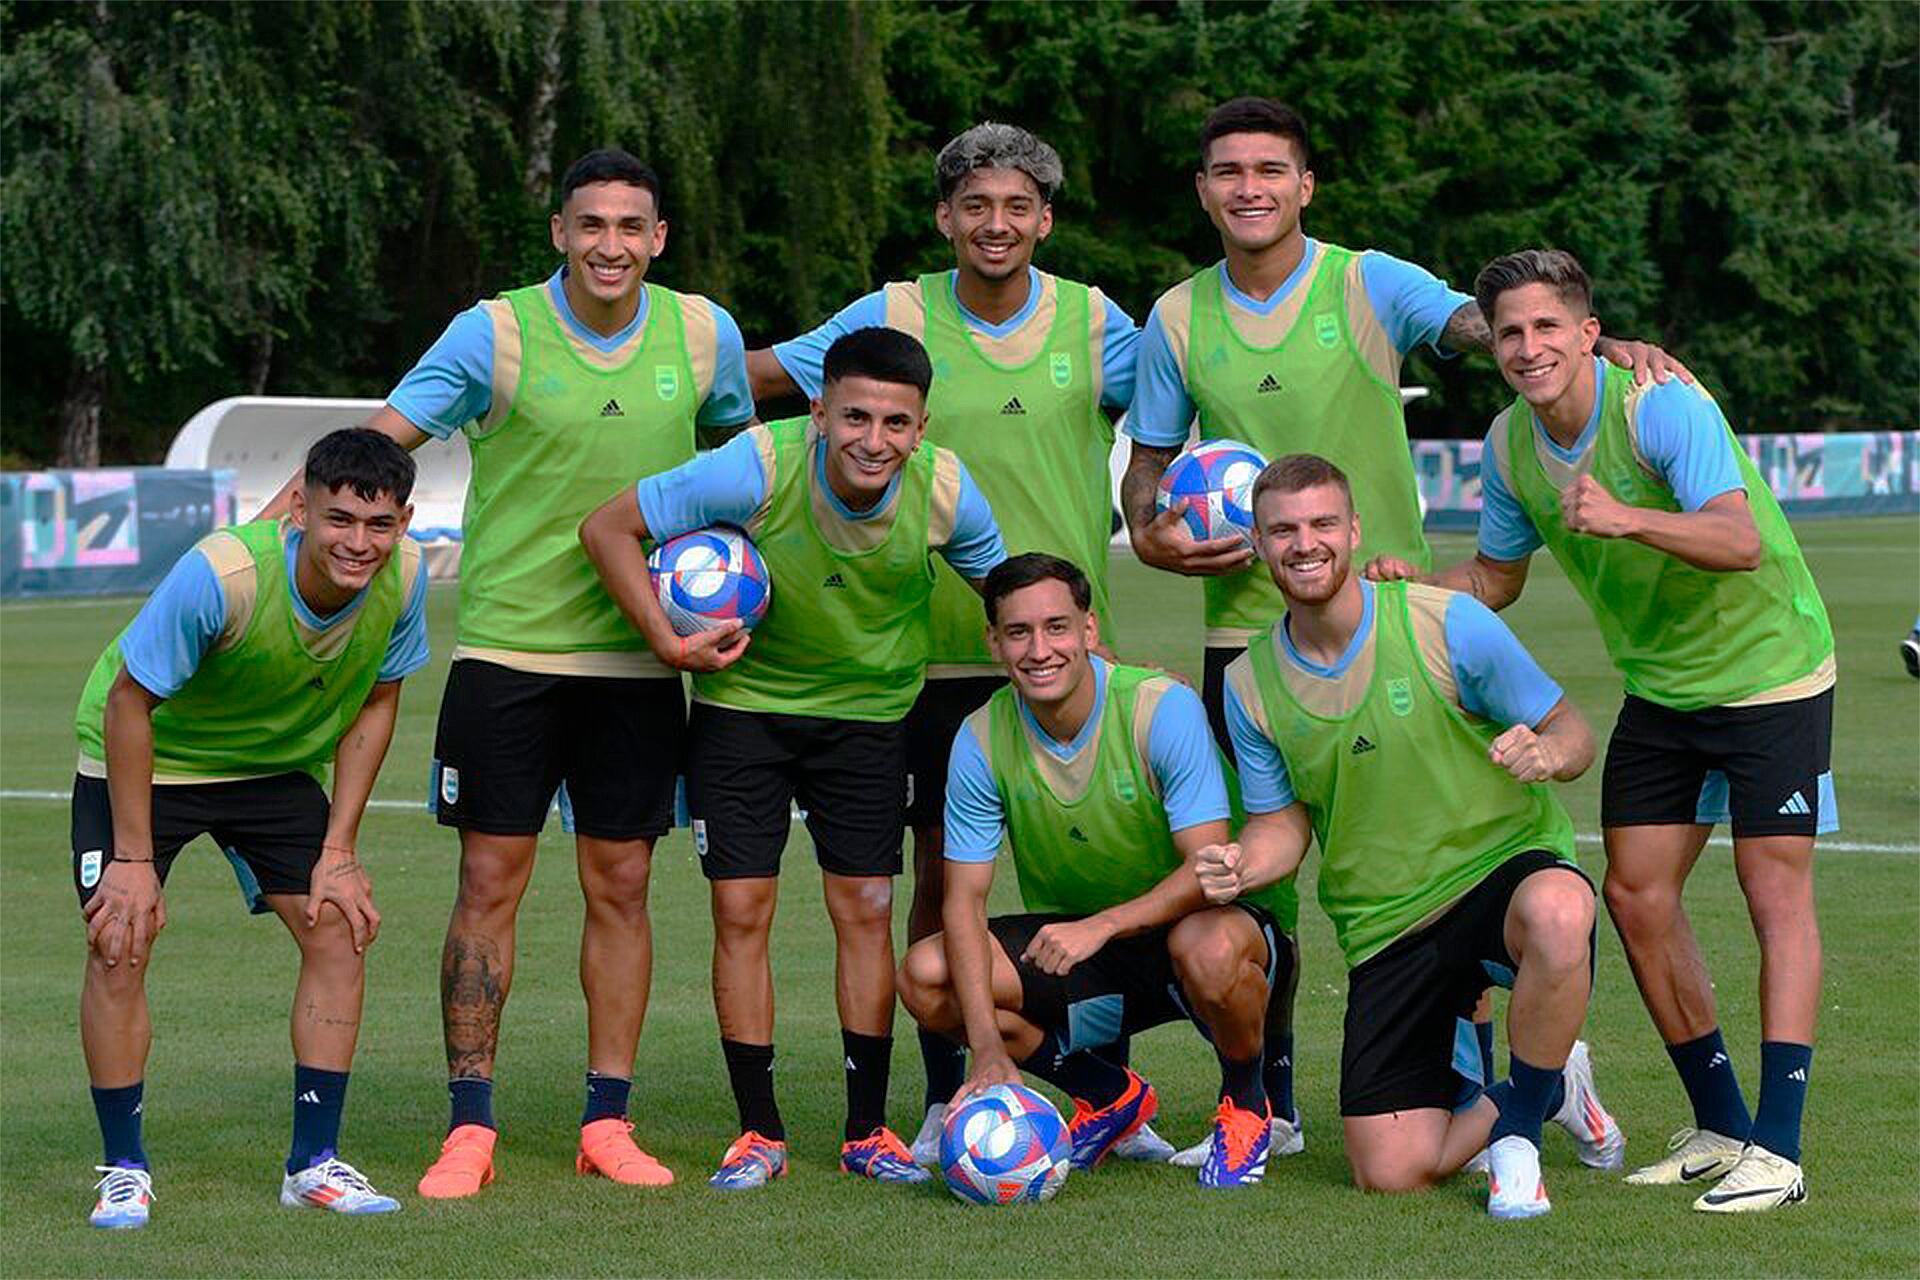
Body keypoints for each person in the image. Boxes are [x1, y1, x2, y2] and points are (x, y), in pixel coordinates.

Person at [1120, 96, 1681, 1161]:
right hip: (1246, 644)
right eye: (1228, 170)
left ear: (1305, 185)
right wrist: (1158, 541)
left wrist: (1592, 352)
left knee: (1442, 856)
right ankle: (1265, 1108)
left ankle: (1520, 1073)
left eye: (1271, 169)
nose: (1250, 187)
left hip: (1390, 618)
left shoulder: (1365, 280)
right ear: (1203, 189)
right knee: (1259, 881)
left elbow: (1493, 329)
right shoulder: (1177, 319)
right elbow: (1147, 486)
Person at [258, 148, 755, 1196]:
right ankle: (470, 1124)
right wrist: (272, 531)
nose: (610, 244)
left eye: (631, 226)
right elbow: (379, 437)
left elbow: (737, 466)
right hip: (509, 651)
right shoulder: (495, 332)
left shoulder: (704, 334)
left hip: (638, 656)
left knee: (621, 885)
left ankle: (605, 1121)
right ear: (559, 233)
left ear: (658, 238)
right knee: (489, 883)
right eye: (591, 225)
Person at [1372, 249, 1836, 1213]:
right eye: (1509, 332)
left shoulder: (1658, 405)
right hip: (1664, 690)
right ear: (1492, 346)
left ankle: (1780, 1154)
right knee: (1635, 896)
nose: (1529, 347)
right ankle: (1721, 1125)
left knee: (1771, 890)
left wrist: (1627, 517)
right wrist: (1404, 582)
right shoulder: (1508, 448)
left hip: (1772, 675)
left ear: (1589, 333)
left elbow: (1739, 538)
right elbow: (1498, 582)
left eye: (1548, 327)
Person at [746, 122, 1163, 1160]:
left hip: (1056, 653)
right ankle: (947, 1096)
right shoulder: (890, 313)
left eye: (1018, 207)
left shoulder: (1096, 321)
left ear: (1046, 220)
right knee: (939, 878)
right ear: (944, 216)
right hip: (918, 657)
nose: (997, 224)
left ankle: (1110, 1088)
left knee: (1101, 872)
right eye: (976, 205)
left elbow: (1192, 391)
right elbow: (761, 378)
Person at [581, 326, 1005, 1191]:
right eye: (854, 417)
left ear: (922, 429)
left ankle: (866, 1131)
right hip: (746, 713)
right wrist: (666, 638)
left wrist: (1087, 654)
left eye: (895, 423)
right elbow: (607, 528)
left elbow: (1007, 588)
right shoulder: (755, 467)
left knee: (865, 909)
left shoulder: (948, 491)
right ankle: (759, 1132)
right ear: (818, 412)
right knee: (742, 911)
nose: (872, 440)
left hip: (872, 719)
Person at [1199, 453, 1623, 1219]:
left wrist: (1547, 752)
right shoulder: (1247, 683)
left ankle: (1518, 1141)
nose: (1305, 543)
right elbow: (1281, 828)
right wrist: (1240, 863)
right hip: (1387, 926)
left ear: (1355, 530)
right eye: (1283, 530)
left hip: (1499, 873)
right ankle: (1549, 1079)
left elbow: (1573, 729)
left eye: (1324, 523)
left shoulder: (1445, 620)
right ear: (1257, 545)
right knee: (1390, 1171)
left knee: (1562, 911)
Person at [73, 428, 429, 1227]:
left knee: (337, 924)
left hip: (270, 768)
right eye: (340, 519)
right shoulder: (224, 574)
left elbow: (379, 698)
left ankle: (313, 1165)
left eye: (378, 525)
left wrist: (338, 851)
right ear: (299, 508)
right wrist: (132, 857)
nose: (359, 543)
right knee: (119, 937)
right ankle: (122, 1168)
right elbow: (131, 702)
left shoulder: (405, 579)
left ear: (404, 520)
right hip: (148, 758)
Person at [896, 553, 1297, 1188]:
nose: (1039, 649)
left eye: (1057, 627)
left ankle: (1247, 1106)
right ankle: (1110, 1097)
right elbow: (962, 903)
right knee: (926, 973)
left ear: (1088, 630)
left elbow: (1208, 868)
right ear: (993, 643)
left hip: (1204, 935)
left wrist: (1102, 926)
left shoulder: (1158, 707)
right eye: (1019, 632)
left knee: (1208, 942)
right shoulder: (979, 738)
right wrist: (989, 1049)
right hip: (1088, 956)